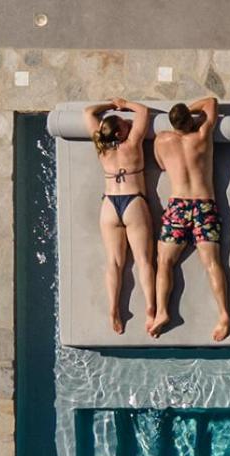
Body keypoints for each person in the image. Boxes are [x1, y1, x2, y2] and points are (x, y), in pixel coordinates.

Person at [151, 97, 230, 341]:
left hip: (178, 206)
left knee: (164, 262)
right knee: (212, 263)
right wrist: (190, 112)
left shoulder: (161, 140)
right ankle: (224, 315)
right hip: (204, 205)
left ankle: (162, 312)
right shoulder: (202, 135)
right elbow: (211, 103)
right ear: (190, 120)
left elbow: (161, 165)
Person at [84, 98, 155, 335]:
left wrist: (107, 105)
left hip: (109, 205)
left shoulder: (101, 147)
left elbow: (88, 112)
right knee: (143, 260)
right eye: (125, 124)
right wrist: (124, 103)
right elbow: (143, 111)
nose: (128, 123)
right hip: (133, 202)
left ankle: (113, 309)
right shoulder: (132, 144)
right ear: (119, 133)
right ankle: (150, 309)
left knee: (114, 262)